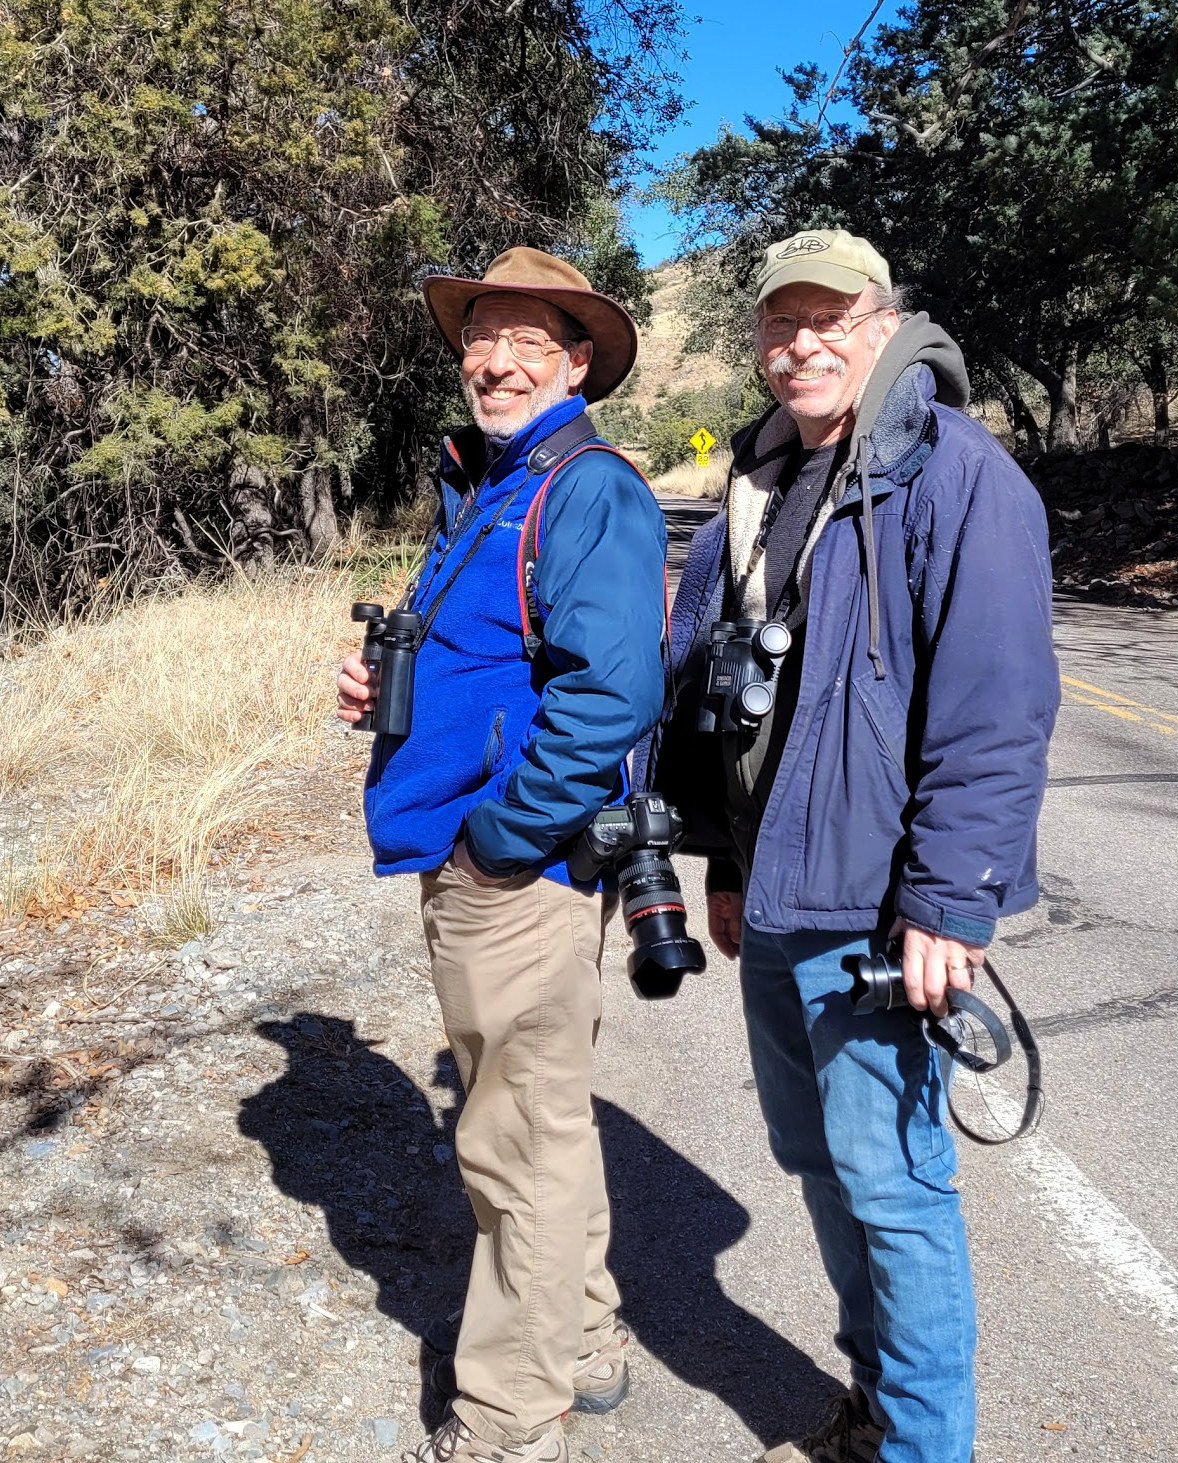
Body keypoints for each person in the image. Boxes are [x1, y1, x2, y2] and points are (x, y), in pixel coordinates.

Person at [644, 229, 1060, 1463]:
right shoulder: (766, 476)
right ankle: (876, 1403)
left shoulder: (957, 474)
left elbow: (996, 709)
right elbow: (726, 696)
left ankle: (926, 1446)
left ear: (884, 323)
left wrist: (948, 903)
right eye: (781, 323)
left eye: (830, 317)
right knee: (819, 1161)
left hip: (879, 909)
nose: (801, 344)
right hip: (778, 883)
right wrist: (721, 857)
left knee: (891, 1181)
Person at [337, 248, 668, 1463]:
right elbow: (496, 658)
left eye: (530, 339)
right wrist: (388, 688)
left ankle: (505, 1413)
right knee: (543, 1120)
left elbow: (614, 694)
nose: (497, 359)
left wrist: (498, 840)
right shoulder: (491, 479)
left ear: (578, 361)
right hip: (486, 856)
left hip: (512, 876)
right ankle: (581, 1342)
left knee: (509, 1143)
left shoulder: (586, 489)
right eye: (482, 336)